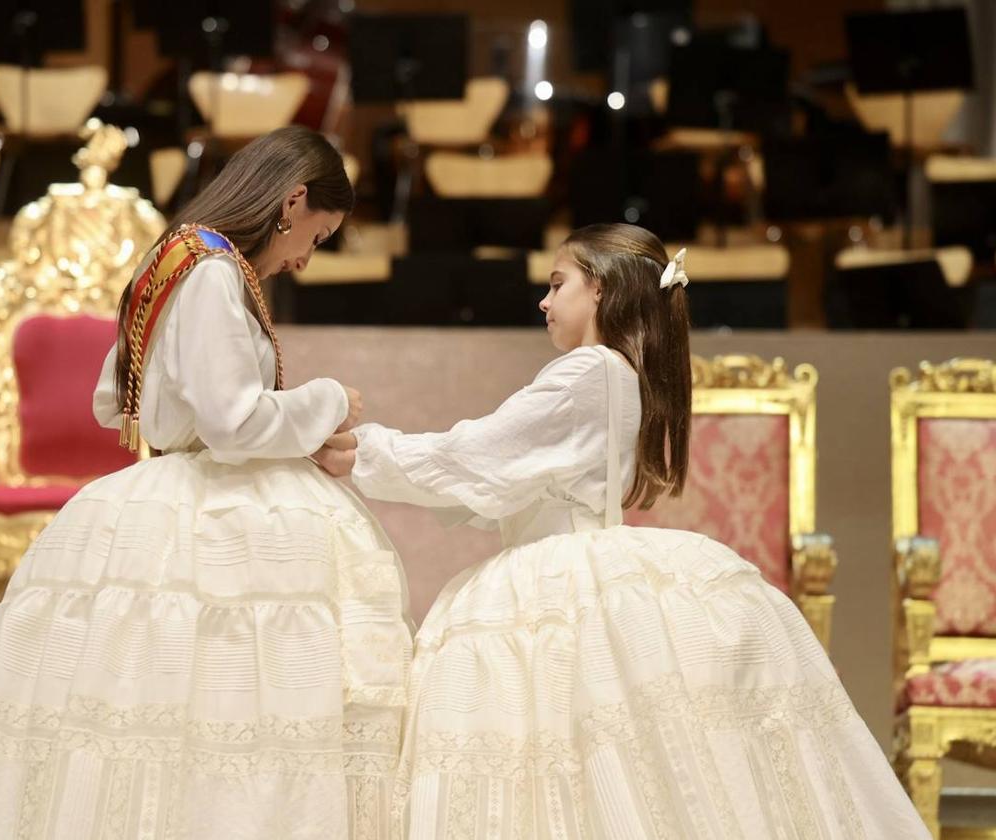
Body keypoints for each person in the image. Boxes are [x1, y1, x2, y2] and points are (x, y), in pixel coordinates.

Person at [316, 223, 928, 839]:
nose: (544, 301)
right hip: (574, 560)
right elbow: (504, 477)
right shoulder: (616, 372)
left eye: (558, 284)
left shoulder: (590, 370)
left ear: (601, 290)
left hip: (560, 572)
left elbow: (478, 455)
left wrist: (360, 450)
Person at [0, 126, 411, 840]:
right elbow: (233, 423)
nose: (305, 258)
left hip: (152, 496)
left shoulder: (175, 259)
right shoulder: (214, 270)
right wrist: (328, 399)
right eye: (318, 234)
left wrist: (189, 402)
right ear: (292, 200)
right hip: (214, 505)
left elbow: (109, 399)